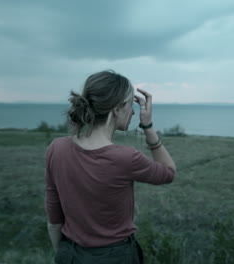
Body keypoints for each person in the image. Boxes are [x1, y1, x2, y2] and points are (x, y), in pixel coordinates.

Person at [45, 70, 176, 263]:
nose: (133, 112)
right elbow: (168, 172)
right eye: (131, 105)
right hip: (116, 256)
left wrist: (64, 254)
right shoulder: (125, 157)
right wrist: (147, 126)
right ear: (116, 109)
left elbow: (54, 220)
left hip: (69, 253)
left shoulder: (56, 148)